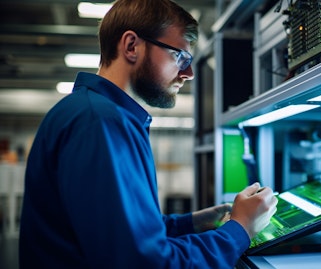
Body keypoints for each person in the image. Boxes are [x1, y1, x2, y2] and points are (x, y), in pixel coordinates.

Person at [18, 0, 278, 268]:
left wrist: (195, 222)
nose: (188, 73)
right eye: (180, 57)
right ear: (132, 46)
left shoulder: (96, 113)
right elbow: (144, 262)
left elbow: (124, 231)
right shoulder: (100, 123)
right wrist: (240, 229)